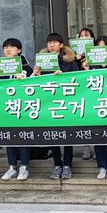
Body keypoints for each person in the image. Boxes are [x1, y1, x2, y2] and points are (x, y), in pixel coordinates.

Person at [34, 33, 79, 180]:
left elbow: (77, 79)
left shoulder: (70, 60)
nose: (51, 45)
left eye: (54, 42)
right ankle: (57, 164)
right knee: (53, 135)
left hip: (65, 102)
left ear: (61, 45)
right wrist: (37, 73)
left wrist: (63, 75)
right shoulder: (42, 60)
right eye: (49, 43)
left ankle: (67, 165)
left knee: (66, 136)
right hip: (49, 102)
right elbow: (35, 83)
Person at [0, 38, 34, 181]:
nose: (7, 50)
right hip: (7, 108)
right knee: (9, 138)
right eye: (5, 47)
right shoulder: (0, 67)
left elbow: (33, 84)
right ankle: (12, 167)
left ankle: (24, 167)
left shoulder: (27, 67)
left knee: (22, 138)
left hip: (22, 108)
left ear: (19, 50)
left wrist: (22, 78)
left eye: (11, 47)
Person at [84, 35, 107, 179]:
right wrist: (86, 70)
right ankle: (101, 166)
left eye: (104, 47)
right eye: (98, 47)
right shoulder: (90, 66)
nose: (101, 51)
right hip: (96, 106)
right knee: (98, 137)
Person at [75, 27, 96, 160]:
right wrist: (77, 59)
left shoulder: (97, 53)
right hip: (81, 91)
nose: (83, 38)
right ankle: (86, 148)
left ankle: (97, 147)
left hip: (95, 89)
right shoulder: (73, 55)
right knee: (84, 118)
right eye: (81, 36)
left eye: (86, 36)